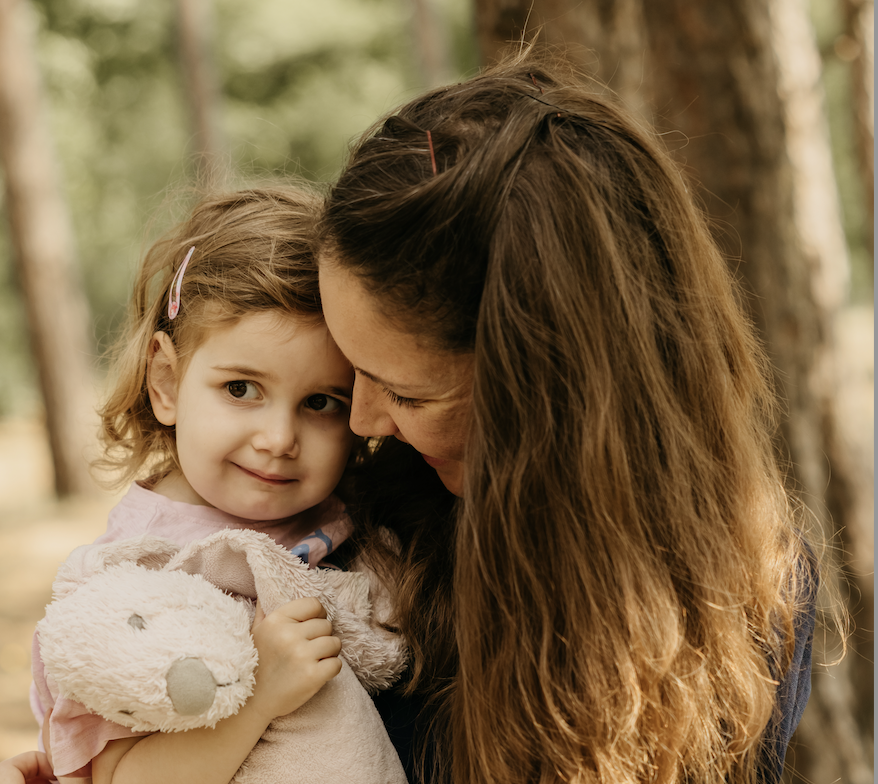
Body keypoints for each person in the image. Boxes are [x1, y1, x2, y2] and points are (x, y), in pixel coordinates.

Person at [317, 51, 816, 784]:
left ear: (551, 400)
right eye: (348, 371)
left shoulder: (752, 589)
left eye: (409, 395)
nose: (363, 421)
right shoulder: (350, 554)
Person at [0, 187, 396, 784]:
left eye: (320, 402)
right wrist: (259, 698)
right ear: (167, 381)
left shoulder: (350, 515)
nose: (279, 438)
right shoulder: (134, 577)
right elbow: (119, 778)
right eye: (241, 389)